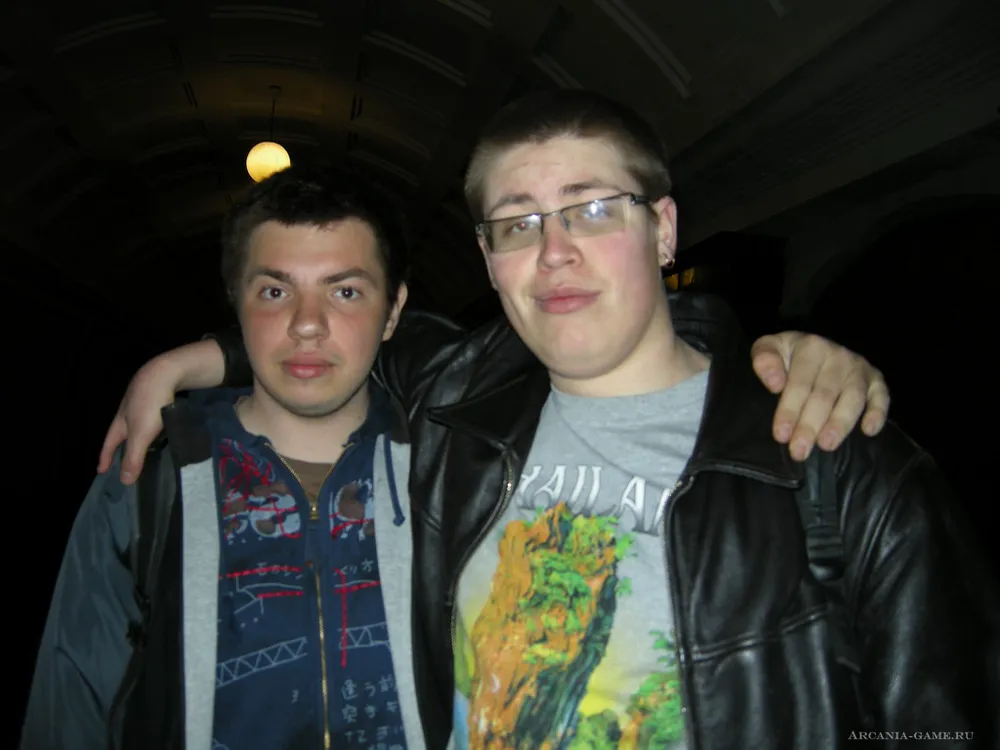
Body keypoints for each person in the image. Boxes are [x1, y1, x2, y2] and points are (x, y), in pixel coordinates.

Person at [88, 90, 981, 750]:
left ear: (664, 229)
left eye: (593, 209)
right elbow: (328, 336)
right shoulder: (459, 407)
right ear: (488, 260)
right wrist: (188, 361)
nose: (555, 252)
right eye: (518, 225)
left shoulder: (836, 459)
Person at [22, 165, 425, 750]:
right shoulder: (150, 479)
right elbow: (72, 705)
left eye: (345, 292)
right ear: (237, 303)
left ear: (392, 311)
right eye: (275, 292)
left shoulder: (446, 472)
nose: (306, 325)